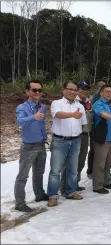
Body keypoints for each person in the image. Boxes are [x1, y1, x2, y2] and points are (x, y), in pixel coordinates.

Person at [47, 81, 87, 207]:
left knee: (73, 169)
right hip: (60, 141)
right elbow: (58, 115)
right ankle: (53, 195)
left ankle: (71, 191)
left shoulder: (80, 106)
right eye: (69, 89)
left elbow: (82, 122)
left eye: (75, 90)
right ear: (63, 90)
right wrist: (73, 115)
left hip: (75, 140)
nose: (72, 92)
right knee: (55, 170)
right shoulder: (56, 103)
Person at [14, 80, 48, 212]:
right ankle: (20, 203)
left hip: (41, 145)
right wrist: (34, 117)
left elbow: (41, 123)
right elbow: (20, 121)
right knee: (23, 176)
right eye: (34, 90)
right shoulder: (22, 107)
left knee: (39, 173)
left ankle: (39, 195)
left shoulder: (42, 107)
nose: (38, 92)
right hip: (28, 147)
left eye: (40, 90)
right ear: (27, 92)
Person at [60, 81, 92, 195]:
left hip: (85, 134)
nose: (84, 91)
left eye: (86, 89)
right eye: (82, 88)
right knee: (69, 162)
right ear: (77, 90)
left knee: (80, 162)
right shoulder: (73, 101)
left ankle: (74, 184)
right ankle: (64, 187)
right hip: (73, 135)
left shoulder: (88, 102)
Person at [92, 84, 111, 194]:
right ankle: (97, 186)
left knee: (109, 162)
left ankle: (106, 182)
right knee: (100, 163)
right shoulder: (98, 104)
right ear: (101, 93)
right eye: (107, 91)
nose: (109, 93)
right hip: (102, 139)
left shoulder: (110, 105)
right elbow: (101, 114)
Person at [87, 80, 106, 179]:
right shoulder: (93, 98)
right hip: (95, 127)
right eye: (100, 87)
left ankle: (99, 169)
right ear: (98, 88)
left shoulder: (108, 98)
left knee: (101, 150)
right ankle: (90, 170)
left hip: (103, 127)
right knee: (93, 150)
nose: (102, 89)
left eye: (103, 87)